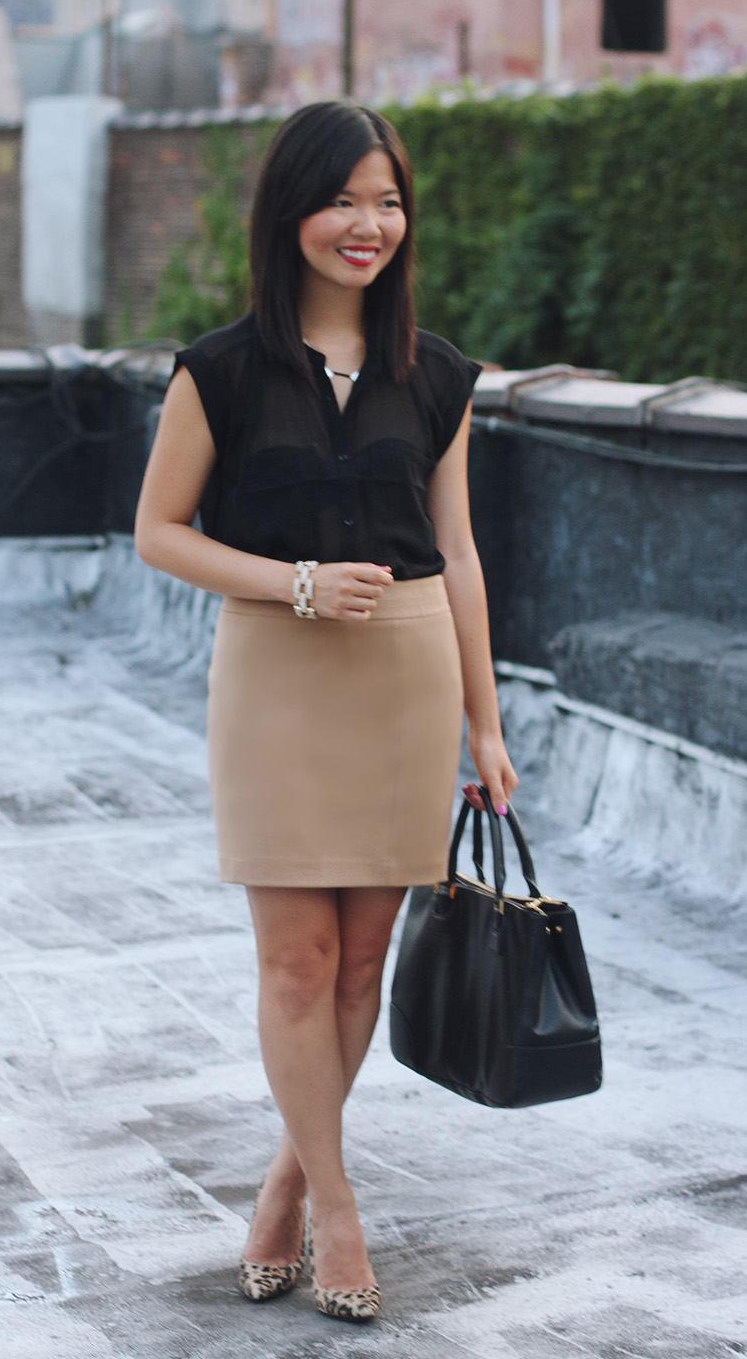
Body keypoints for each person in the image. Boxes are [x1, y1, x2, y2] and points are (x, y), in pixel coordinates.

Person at [133, 100, 518, 1324]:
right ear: (290, 209)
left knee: (360, 960)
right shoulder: (220, 370)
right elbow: (157, 532)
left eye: (388, 200)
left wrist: (486, 722)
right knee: (295, 958)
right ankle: (340, 1211)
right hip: (277, 673)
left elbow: (458, 553)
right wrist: (293, 581)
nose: (369, 223)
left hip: (406, 674)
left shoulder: (437, 373)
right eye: (344, 198)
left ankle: (288, 1180)